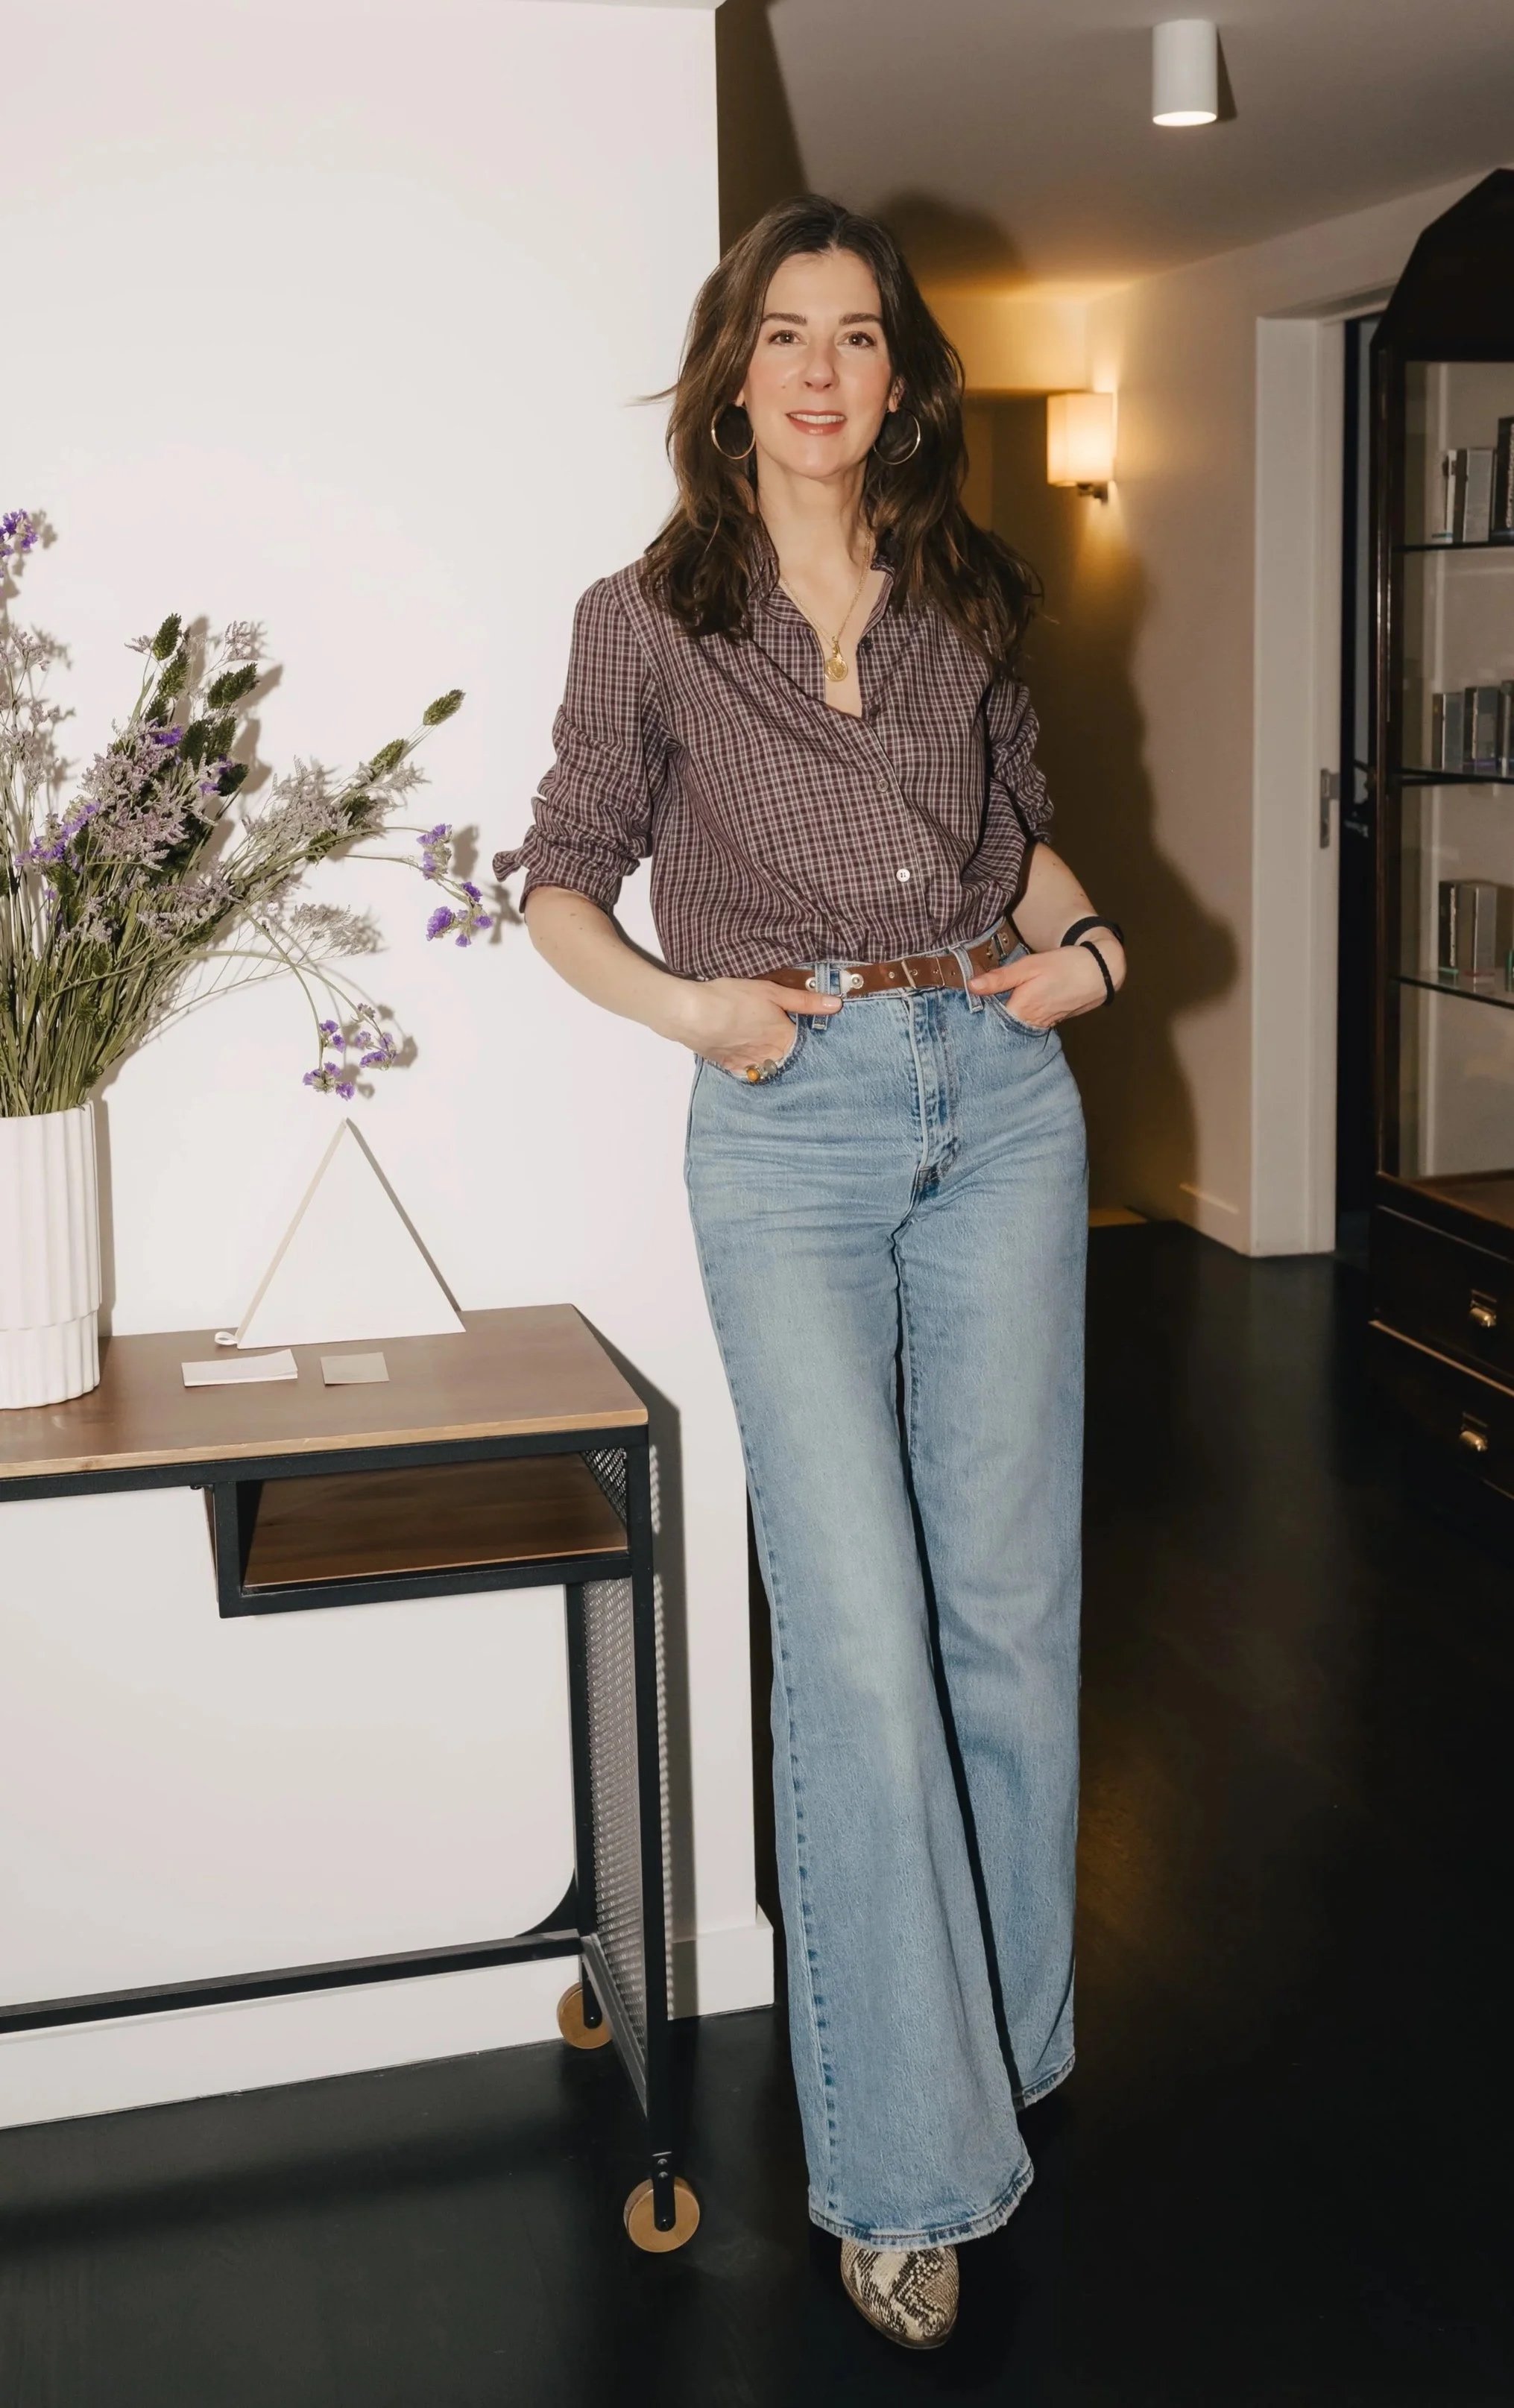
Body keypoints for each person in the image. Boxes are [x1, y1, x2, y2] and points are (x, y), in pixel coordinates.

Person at [493, 193, 1126, 2352]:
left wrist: (1097, 950)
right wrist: (700, 1011)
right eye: (788, 334)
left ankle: (1009, 2049)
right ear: (732, 371)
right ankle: (909, 2170)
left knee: (1010, 1615)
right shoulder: (647, 618)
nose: (826, 370)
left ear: (899, 376)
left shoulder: (961, 594)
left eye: (861, 335)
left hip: (1001, 1105)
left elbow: (1021, 829)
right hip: (793, 1119)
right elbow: (560, 879)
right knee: (853, 1637)